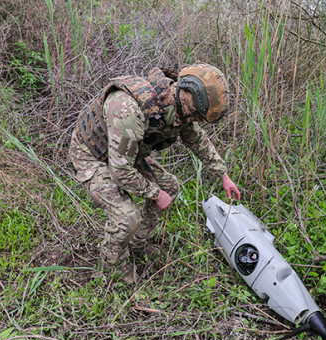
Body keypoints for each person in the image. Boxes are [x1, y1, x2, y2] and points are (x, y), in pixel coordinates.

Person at [69, 64, 241, 283]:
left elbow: (198, 141)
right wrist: (155, 194)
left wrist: (223, 175)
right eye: (197, 116)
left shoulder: (178, 106)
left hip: (126, 149)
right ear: (191, 102)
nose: (196, 121)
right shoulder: (129, 111)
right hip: (92, 153)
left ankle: (138, 243)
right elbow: (120, 171)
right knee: (126, 217)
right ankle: (113, 265)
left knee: (170, 186)